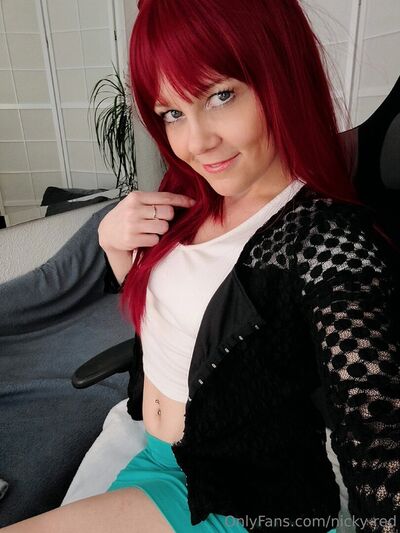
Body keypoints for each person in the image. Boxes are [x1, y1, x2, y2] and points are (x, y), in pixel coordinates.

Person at [4, 0, 399, 532]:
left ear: (282, 75)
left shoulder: (324, 242)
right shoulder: (191, 194)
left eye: (220, 95)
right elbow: (181, 326)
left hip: (237, 501)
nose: (195, 143)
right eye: (172, 113)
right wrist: (116, 251)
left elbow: (377, 432)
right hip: (158, 460)